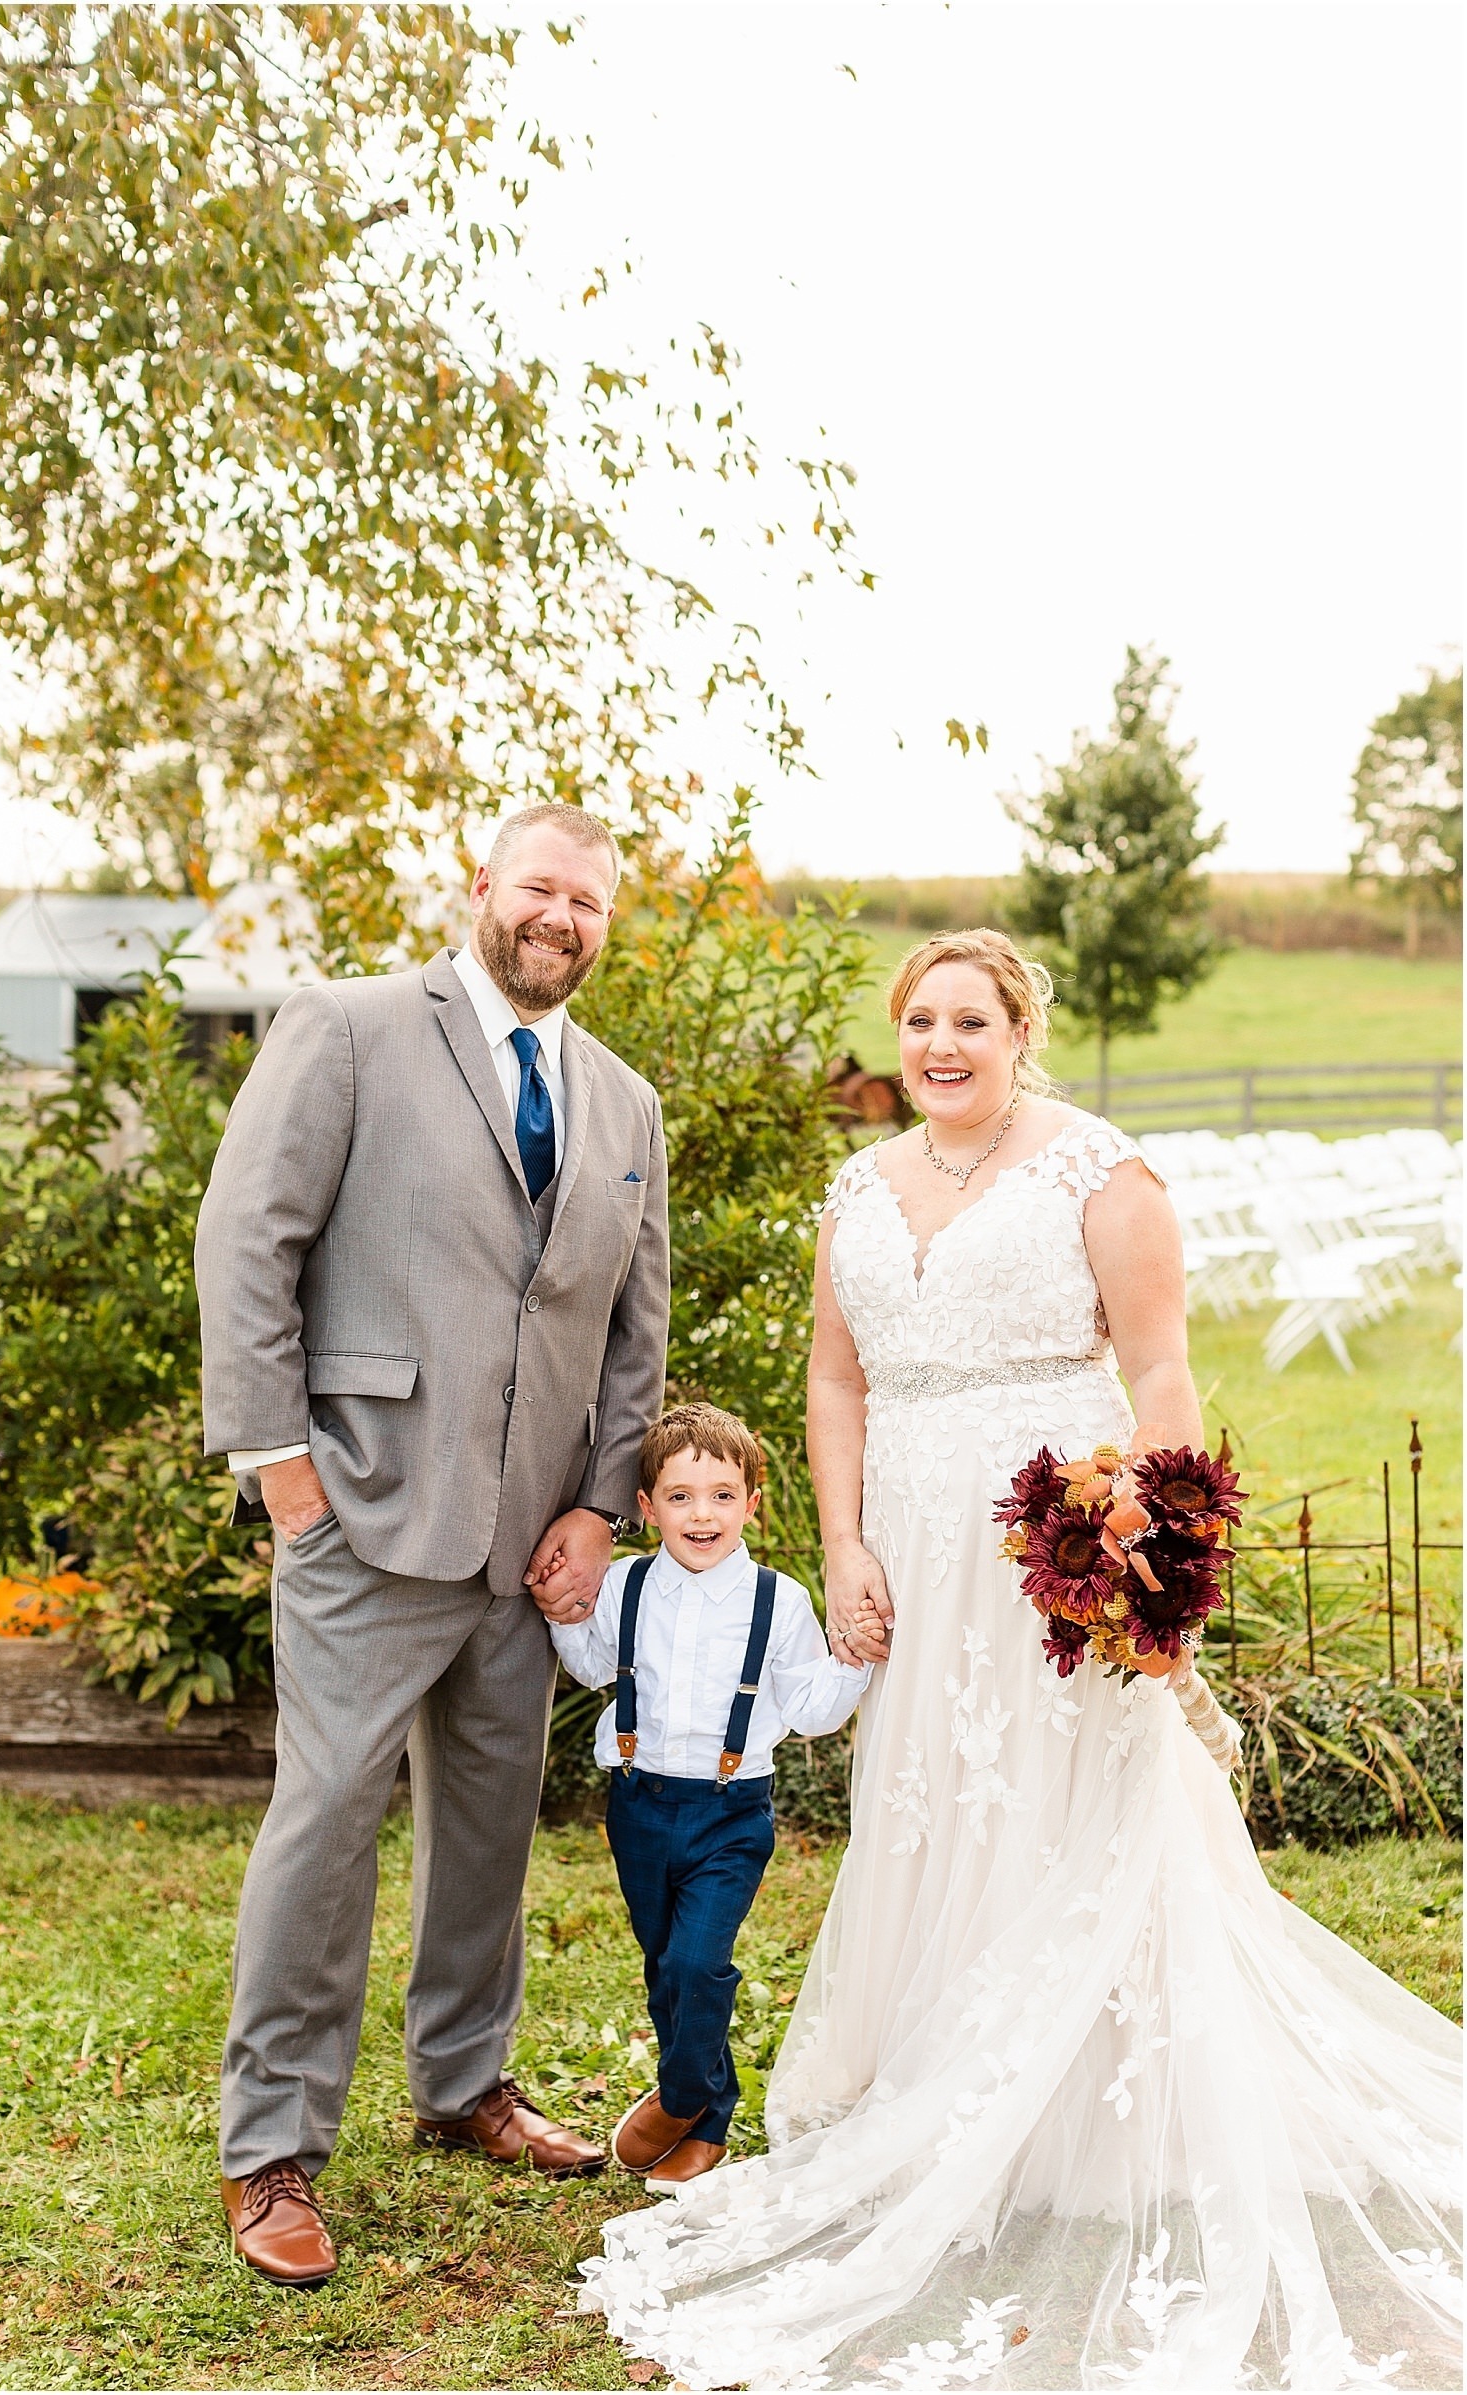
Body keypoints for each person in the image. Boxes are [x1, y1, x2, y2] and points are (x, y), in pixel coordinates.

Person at [577, 930, 1461, 2391]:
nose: (940, 1042)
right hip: (914, 1548)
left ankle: (1090, 2129)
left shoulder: (1100, 1171)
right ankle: (936, 2089)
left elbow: (1162, 1364)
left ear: (1017, 1027)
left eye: (969, 1019)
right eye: (918, 1018)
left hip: (1059, 1540)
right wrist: (844, 1540)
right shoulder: (859, 1188)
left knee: (1067, 1805)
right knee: (930, 1796)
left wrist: (1152, 1548)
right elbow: (835, 1375)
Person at [195, 804, 670, 2288]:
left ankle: (465, 2080)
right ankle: (271, 2145)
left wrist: (598, 1504)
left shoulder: (627, 1104)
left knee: (490, 1823)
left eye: (587, 901)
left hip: (530, 1544)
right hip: (364, 1506)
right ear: (483, 888)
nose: (561, 917)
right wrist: (283, 1469)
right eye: (540, 887)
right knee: (326, 1818)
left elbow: (627, 1327)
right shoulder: (346, 1028)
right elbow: (244, 1236)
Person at [542, 1403, 871, 2195]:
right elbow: (592, 1662)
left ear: (752, 1501)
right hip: (637, 1802)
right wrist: (561, 1610)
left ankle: (687, 2099)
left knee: (699, 1960)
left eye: (722, 1494)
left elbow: (813, 1709)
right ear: (647, 1507)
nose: (703, 1513)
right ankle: (709, 2119)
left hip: (731, 1811)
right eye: (681, 1496)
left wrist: (856, 1653)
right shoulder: (622, 1587)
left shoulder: (778, 1601)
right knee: (666, 1965)